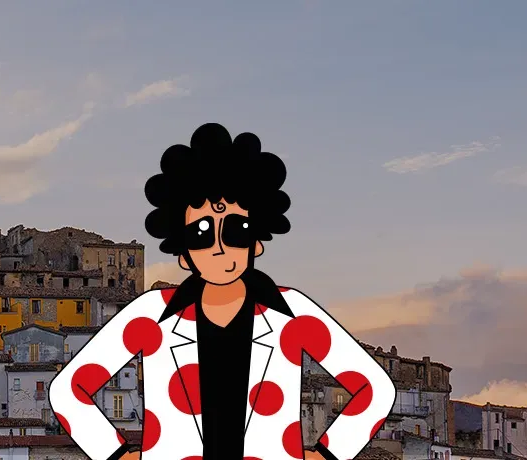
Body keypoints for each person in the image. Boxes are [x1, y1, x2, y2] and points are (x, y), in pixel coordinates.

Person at [48, 123, 394, 460]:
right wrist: (118, 454)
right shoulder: (151, 314)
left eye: (236, 230)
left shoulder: (293, 313)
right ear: (183, 253)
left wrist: (328, 454)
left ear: (256, 242)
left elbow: (375, 389)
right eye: (201, 234)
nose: (218, 246)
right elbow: (68, 391)